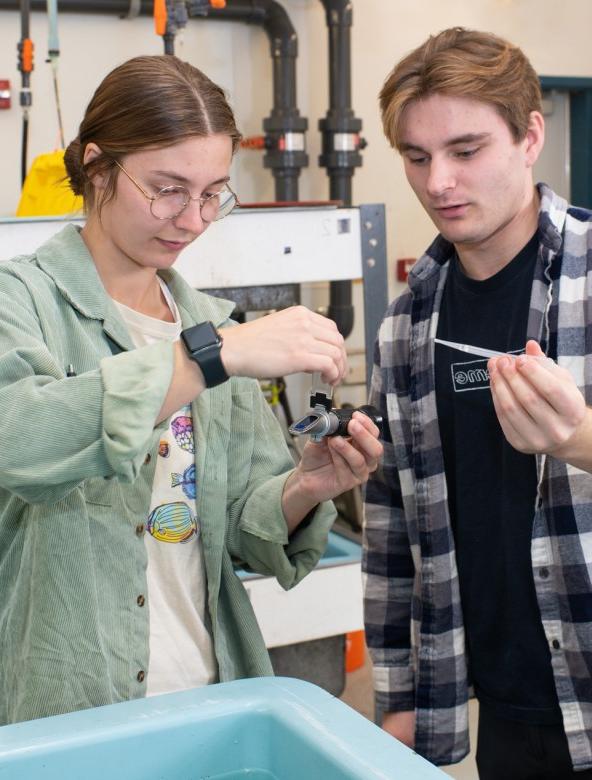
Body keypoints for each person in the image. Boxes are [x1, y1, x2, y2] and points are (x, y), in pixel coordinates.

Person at [0, 54, 383, 726]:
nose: (192, 218)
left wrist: (306, 488)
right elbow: (21, 442)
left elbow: (239, 531)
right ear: (97, 167)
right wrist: (209, 356)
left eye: (212, 193)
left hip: (209, 696)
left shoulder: (213, 327)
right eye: (167, 189)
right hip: (63, 706)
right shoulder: (21, 301)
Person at [363, 26, 592, 779]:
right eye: (417, 158)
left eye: (466, 151)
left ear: (529, 137)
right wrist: (400, 694)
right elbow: (391, 530)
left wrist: (579, 435)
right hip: (506, 720)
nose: (439, 181)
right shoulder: (408, 324)